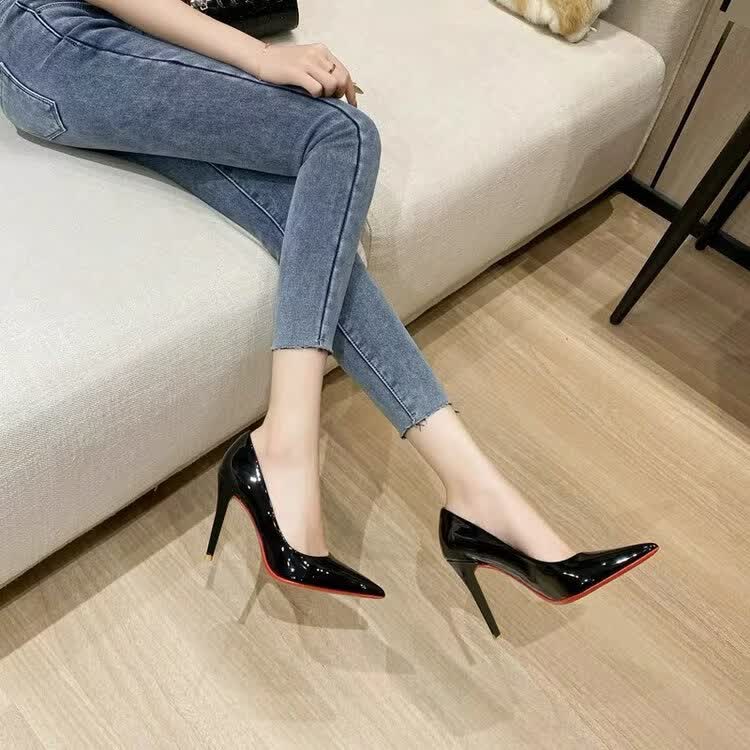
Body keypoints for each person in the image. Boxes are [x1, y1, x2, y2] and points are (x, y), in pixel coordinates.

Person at [0, 0, 658, 634]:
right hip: (52, 38)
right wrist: (258, 57)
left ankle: (475, 488)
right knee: (339, 132)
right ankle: (285, 446)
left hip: (83, 56)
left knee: (306, 222)